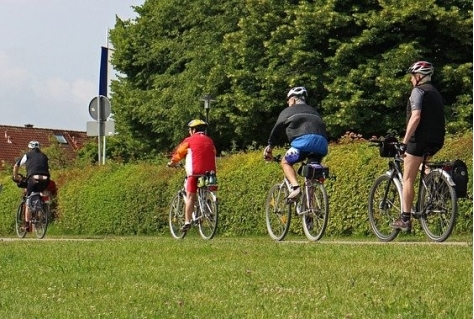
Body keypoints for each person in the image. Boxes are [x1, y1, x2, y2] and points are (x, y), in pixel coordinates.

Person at [392, 61, 445, 230]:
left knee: (408, 178)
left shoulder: (418, 91)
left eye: (412, 76)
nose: (410, 80)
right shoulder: (436, 93)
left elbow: (415, 117)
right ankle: (434, 187)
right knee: (423, 163)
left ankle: (405, 218)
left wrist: (404, 142)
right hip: (437, 140)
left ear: (419, 76)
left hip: (418, 140)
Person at [263, 86, 329, 199]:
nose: (288, 103)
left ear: (293, 99)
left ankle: (295, 188)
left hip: (303, 143)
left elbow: (277, 129)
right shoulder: (314, 111)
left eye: (288, 100)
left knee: (285, 162)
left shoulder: (288, 111)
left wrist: (270, 147)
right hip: (322, 145)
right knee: (311, 173)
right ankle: (310, 207)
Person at [167, 120, 217, 232]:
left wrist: (172, 163)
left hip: (194, 172)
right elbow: (214, 152)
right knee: (206, 189)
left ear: (193, 130)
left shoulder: (189, 140)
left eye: (190, 130)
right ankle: (207, 206)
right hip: (210, 172)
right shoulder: (210, 141)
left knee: (190, 196)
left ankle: (187, 221)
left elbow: (179, 154)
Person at [12, 141, 50, 229]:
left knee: (29, 200)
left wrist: (15, 176)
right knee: (40, 192)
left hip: (33, 178)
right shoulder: (44, 156)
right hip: (46, 179)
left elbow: (16, 166)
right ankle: (42, 209)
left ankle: (26, 224)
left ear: (30, 148)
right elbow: (47, 168)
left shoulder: (27, 155)